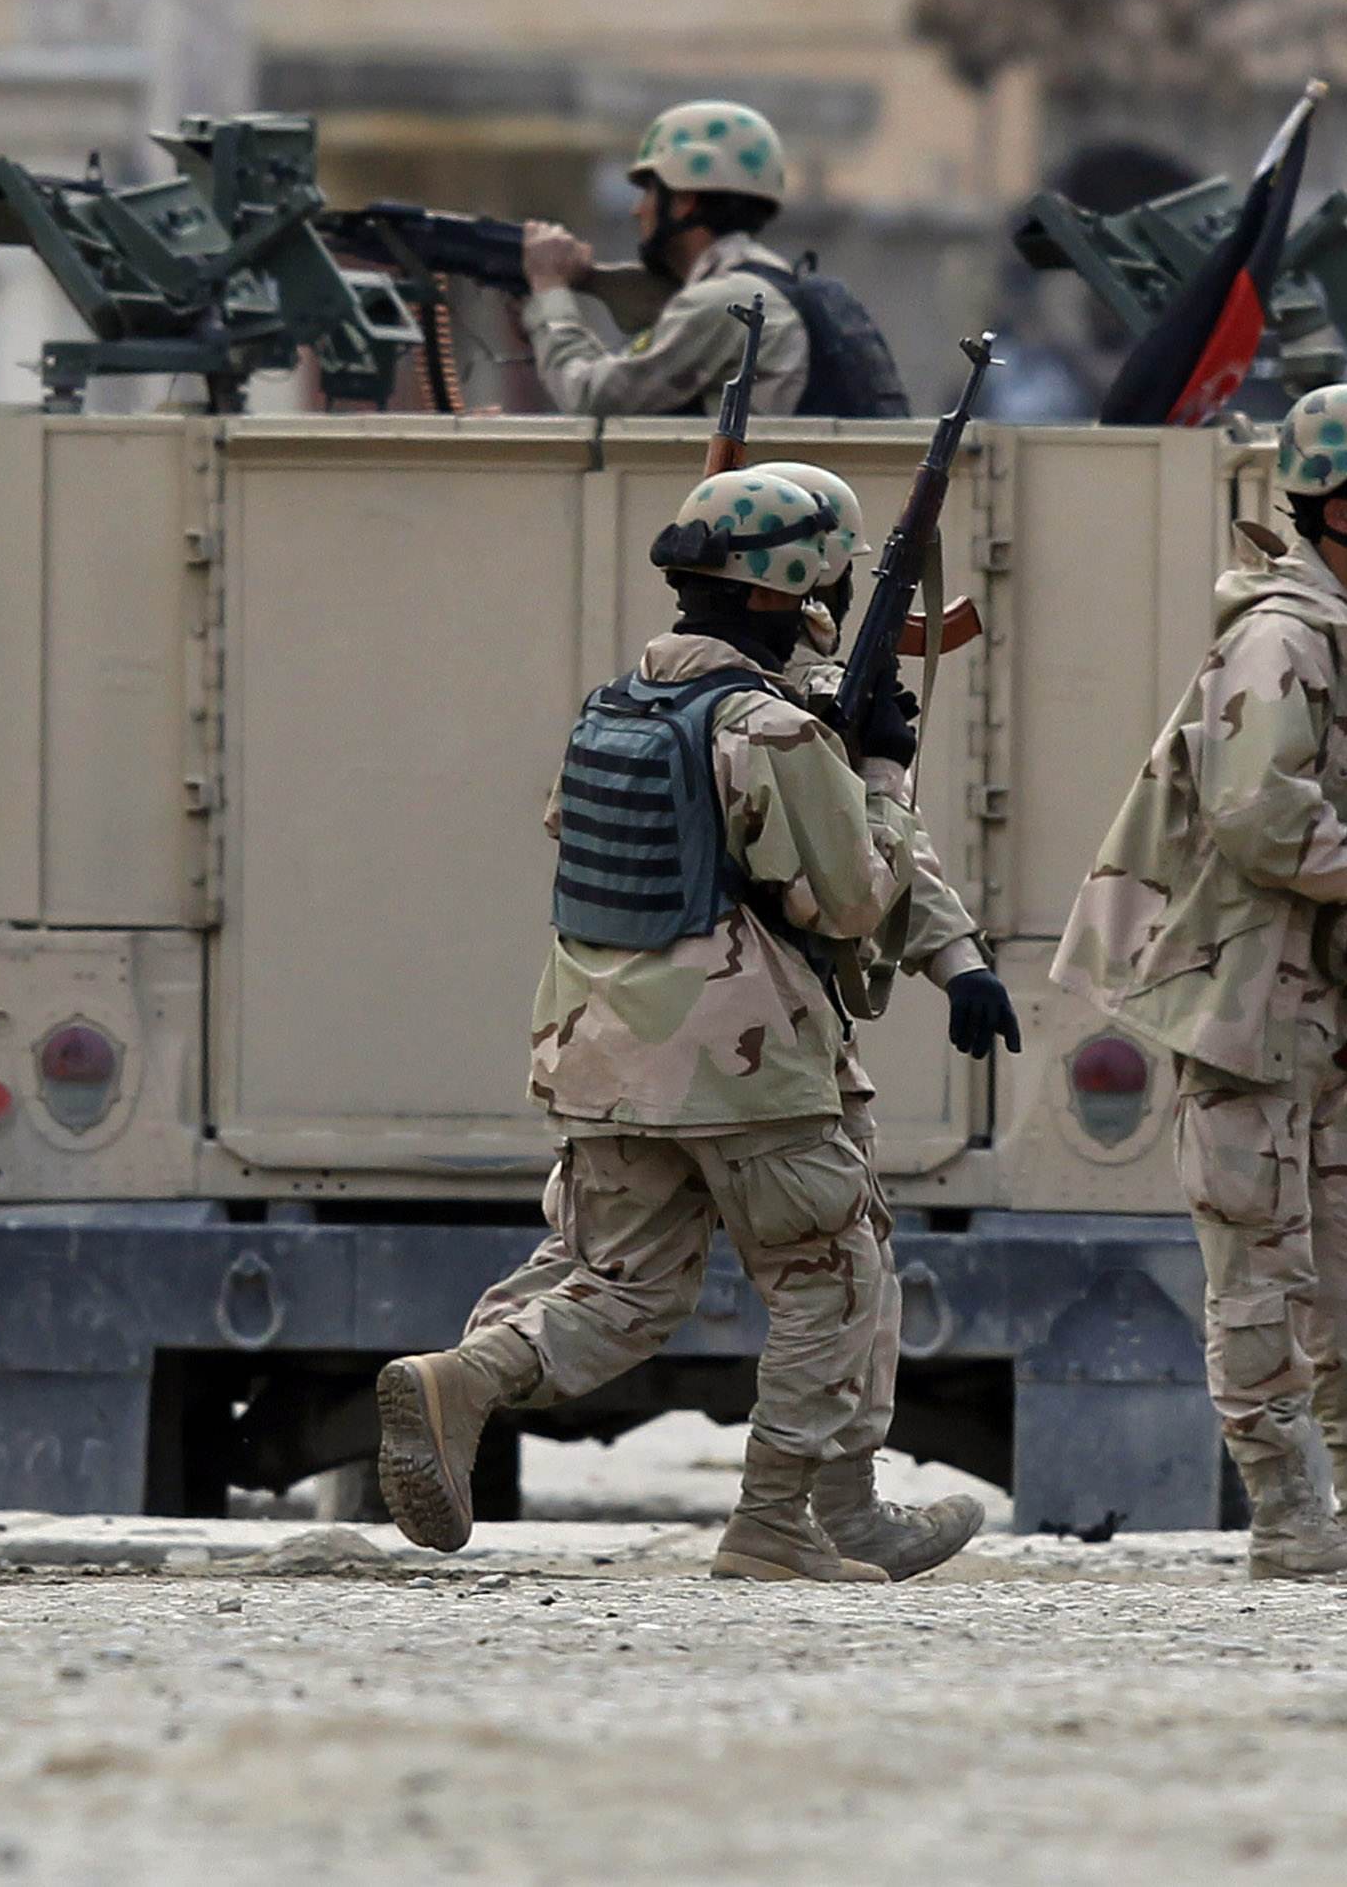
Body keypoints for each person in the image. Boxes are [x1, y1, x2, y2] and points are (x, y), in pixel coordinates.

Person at [374, 463, 1010, 1582]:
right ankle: (778, 1524)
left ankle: (465, 1377)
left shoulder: (615, 710)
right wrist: (879, 771)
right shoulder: (770, 729)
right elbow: (851, 897)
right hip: (744, 1061)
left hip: (602, 1051)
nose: (835, 601)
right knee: (831, 1277)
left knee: (619, 1287)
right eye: (828, 582)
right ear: (786, 591)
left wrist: (952, 954)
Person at [1050, 383, 1347, 1582]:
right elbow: (1255, 810)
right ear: (1338, 504)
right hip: (1237, 1002)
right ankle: (1287, 1516)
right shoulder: (1282, 635)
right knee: (1259, 1272)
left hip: (1312, 1006)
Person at [522, 103, 813, 418]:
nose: (637, 210)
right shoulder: (777, 285)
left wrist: (549, 291)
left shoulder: (722, 303)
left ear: (684, 200)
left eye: (649, 191)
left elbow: (592, 397)